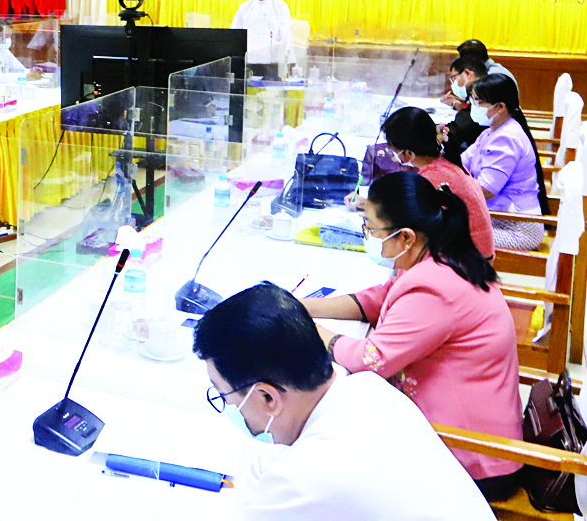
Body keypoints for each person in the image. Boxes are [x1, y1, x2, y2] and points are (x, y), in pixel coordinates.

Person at [302, 172, 522, 496]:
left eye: (370, 228)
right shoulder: (437, 256)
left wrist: (309, 328)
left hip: (472, 457)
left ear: (405, 237)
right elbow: (380, 298)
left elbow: (370, 359)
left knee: (329, 462)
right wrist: (305, 306)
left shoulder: (435, 287)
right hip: (469, 434)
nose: (367, 236)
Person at [194, 282, 493, 521]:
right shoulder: (369, 388)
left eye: (224, 395)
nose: (230, 409)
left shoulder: (305, 477)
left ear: (268, 397)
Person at [381, 106, 494, 258]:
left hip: (470, 262)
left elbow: (407, 218)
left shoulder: (433, 177)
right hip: (477, 255)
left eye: (394, 149)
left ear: (409, 153)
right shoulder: (445, 162)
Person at [462, 73, 547, 251]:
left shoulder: (507, 138)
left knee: (447, 236)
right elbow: (461, 163)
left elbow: (486, 189)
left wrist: (453, 188)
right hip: (497, 217)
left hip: (518, 227)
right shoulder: (489, 132)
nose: (473, 106)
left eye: (478, 102)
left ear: (500, 107)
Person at [230, 0, 292, 80]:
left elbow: (285, 36)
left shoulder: (280, 6)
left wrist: (287, 62)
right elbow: (234, 34)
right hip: (248, 60)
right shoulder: (245, 7)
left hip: (271, 63)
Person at [440, 56, 487, 169]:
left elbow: (458, 129)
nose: (453, 83)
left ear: (467, 73)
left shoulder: (485, 95)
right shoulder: (483, 91)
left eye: (454, 78)